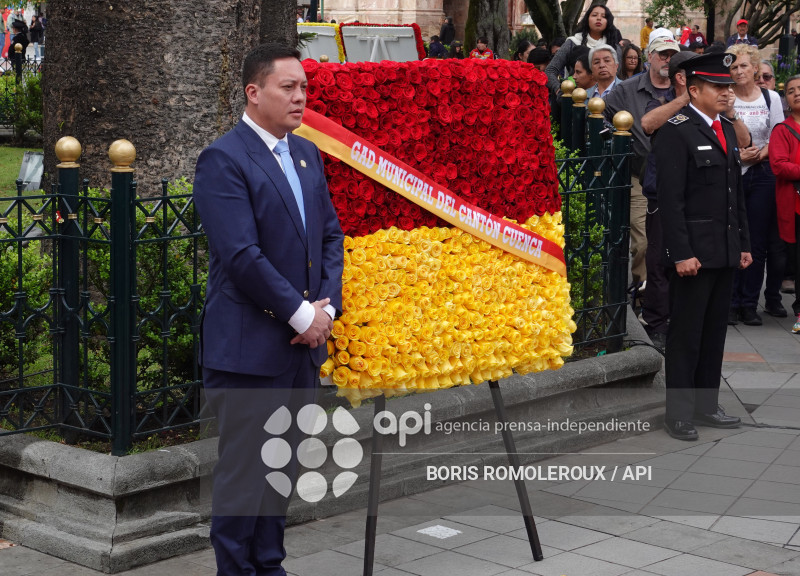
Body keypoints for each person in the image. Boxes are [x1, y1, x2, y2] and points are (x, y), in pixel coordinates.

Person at [193, 43, 344, 576]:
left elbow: (329, 235)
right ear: (254, 93)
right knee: (244, 473)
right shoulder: (224, 159)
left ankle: (269, 564)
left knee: (282, 465)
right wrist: (302, 317)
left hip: (299, 350)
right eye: (289, 87)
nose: (301, 97)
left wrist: (325, 310)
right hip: (248, 352)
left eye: (304, 87)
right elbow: (241, 256)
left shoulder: (305, 154)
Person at [655, 52, 751, 441]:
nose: (726, 93)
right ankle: (678, 413)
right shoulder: (676, 130)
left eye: (728, 86)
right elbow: (671, 201)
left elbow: (735, 194)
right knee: (686, 335)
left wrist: (742, 244)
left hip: (723, 249)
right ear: (693, 90)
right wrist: (680, 253)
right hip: (693, 253)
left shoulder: (725, 128)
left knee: (714, 334)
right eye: (718, 87)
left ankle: (706, 406)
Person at [604, 29, 680, 296]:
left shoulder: (686, 90)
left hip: (682, 181)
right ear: (650, 57)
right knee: (645, 243)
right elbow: (599, 114)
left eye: (673, 54)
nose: (667, 60)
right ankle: (645, 295)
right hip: (640, 178)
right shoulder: (626, 89)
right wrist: (616, 141)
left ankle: (671, 297)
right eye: (663, 54)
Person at [726, 43, 785, 325]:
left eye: (744, 66)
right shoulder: (725, 98)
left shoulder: (771, 97)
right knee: (732, 237)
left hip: (762, 173)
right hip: (732, 173)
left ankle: (749, 302)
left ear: (755, 68)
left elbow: (778, 136)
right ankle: (730, 301)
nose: (739, 71)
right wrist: (738, 155)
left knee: (757, 241)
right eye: (734, 66)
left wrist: (759, 153)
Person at [770, 75, 800, 332]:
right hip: (794, 203)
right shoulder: (782, 130)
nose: (797, 93)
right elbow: (779, 166)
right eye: (791, 91)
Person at [545, 3, 620, 95]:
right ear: (587, 19)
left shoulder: (613, 47)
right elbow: (550, 70)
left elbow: (619, 75)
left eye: (603, 16)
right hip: (574, 98)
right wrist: (559, 90)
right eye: (594, 15)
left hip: (607, 97)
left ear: (608, 21)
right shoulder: (572, 43)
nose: (599, 18)